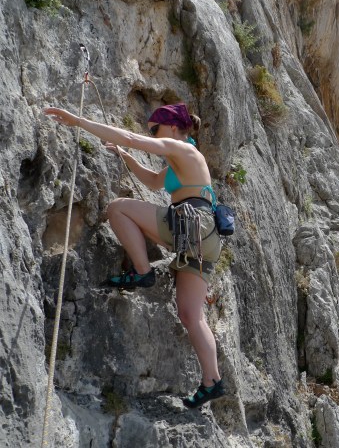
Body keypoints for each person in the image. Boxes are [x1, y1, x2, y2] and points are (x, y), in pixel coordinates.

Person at [44, 103, 225, 408]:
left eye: (155, 129)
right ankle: (212, 381)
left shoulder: (179, 147)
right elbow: (155, 181)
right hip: (204, 237)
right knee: (191, 315)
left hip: (190, 223)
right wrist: (126, 158)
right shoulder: (183, 159)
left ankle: (142, 270)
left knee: (118, 208)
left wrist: (78, 121)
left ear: (169, 127)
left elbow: (131, 138)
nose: (152, 134)